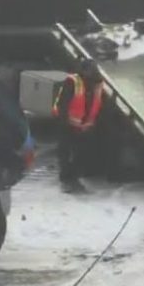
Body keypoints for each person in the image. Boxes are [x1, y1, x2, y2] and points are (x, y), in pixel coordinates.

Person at [52, 58, 106, 193]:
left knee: (81, 154)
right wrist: (65, 121)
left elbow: (99, 104)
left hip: (85, 126)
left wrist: (91, 124)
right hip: (68, 124)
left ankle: (74, 178)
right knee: (65, 153)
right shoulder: (73, 82)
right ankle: (66, 179)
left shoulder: (98, 84)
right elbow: (62, 104)